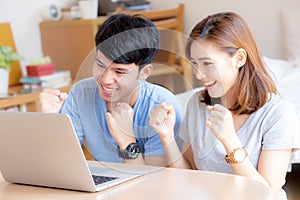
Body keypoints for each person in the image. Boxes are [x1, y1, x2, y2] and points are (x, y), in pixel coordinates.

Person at [149, 12, 300, 199]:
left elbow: (266, 194)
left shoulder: (278, 113)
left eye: (207, 63)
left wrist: (230, 142)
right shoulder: (198, 104)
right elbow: (189, 175)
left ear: (239, 58)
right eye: (194, 64)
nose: (199, 75)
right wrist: (167, 137)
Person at [39, 14, 182, 166]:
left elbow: (149, 182)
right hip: (101, 186)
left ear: (144, 72)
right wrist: (51, 122)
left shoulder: (161, 106)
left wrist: (127, 140)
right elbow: (60, 162)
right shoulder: (81, 94)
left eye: (119, 72)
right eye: (100, 65)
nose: (105, 80)